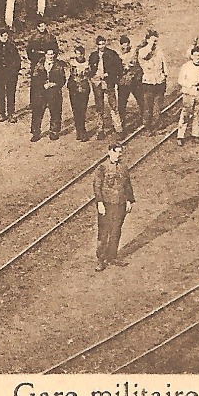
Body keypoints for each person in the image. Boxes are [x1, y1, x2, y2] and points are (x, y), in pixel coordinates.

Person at [93, 143, 135, 271]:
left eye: (120, 152)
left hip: (120, 204)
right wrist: (100, 203)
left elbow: (127, 184)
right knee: (104, 232)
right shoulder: (102, 168)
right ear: (109, 152)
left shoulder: (123, 167)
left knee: (116, 231)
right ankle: (101, 260)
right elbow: (97, 186)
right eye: (116, 152)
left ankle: (112, 256)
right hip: (107, 204)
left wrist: (130, 200)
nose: (118, 155)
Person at [88, 34, 125, 138]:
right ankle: (100, 129)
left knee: (113, 105)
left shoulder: (112, 54)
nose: (102, 46)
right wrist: (93, 77)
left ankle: (118, 128)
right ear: (97, 45)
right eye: (100, 44)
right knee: (99, 107)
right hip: (97, 83)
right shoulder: (93, 56)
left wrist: (109, 74)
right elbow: (90, 69)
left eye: (103, 43)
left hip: (108, 83)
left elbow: (118, 67)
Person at [30, 48, 65, 142]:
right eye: (48, 54)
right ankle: (35, 132)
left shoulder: (58, 66)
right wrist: (42, 84)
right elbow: (34, 78)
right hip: (41, 93)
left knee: (55, 112)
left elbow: (62, 79)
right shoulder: (39, 65)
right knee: (37, 112)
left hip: (54, 92)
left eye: (52, 54)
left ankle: (54, 131)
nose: (50, 56)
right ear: (45, 55)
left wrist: (54, 84)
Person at [176, 46, 199, 146]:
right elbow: (180, 80)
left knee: (198, 114)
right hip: (188, 93)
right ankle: (180, 136)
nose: (197, 57)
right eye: (195, 55)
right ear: (191, 56)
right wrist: (190, 84)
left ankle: (196, 135)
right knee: (186, 114)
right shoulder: (186, 66)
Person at [0, 28, 22, 122]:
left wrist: (14, 71)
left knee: (11, 93)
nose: (5, 38)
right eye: (3, 36)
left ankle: (11, 114)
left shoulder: (12, 46)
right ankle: (2, 113)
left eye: (6, 35)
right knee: (0, 94)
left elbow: (17, 60)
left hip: (11, 74)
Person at [135, 30, 168, 132]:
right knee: (148, 106)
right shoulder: (142, 50)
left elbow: (164, 64)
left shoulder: (159, 51)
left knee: (157, 106)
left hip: (159, 81)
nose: (154, 43)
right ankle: (147, 126)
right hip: (148, 82)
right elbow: (145, 55)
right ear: (148, 40)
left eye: (156, 41)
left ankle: (156, 124)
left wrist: (165, 75)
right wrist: (150, 45)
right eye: (152, 40)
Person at [66, 45, 92, 141]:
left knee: (82, 109)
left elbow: (90, 73)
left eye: (81, 54)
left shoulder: (87, 63)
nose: (79, 56)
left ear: (83, 54)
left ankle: (82, 130)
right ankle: (79, 131)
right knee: (76, 110)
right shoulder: (72, 62)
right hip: (74, 88)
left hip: (84, 88)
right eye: (77, 54)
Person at [115, 34, 141, 129]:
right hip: (123, 83)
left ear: (129, 44)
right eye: (123, 45)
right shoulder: (118, 55)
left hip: (134, 81)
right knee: (121, 104)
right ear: (121, 45)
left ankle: (144, 119)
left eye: (127, 44)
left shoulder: (134, 53)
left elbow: (137, 65)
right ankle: (122, 123)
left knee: (140, 99)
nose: (125, 47)